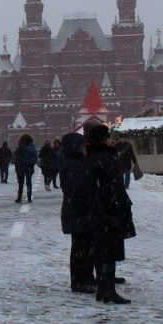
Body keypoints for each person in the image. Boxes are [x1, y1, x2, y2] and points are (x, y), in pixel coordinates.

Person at [83, 121, 135, 304]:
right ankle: (108, 291)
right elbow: (115, 185)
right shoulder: (107, 158)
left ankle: (103, 289)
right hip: (109, 209)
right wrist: (122, 204)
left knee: (100, 250)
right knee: (109, 251)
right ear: (102, 139)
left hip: (96, 210)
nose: (111, 140)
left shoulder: (90, 157)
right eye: (108, 137)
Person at [59, 132, 96, 294]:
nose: (84, 147)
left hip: (77, 210)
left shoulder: (74, 161)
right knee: (80, 248)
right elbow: (76, 189)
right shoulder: (73, 164)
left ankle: (86, 277)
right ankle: (78, 281)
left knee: (84, 246)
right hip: (77, 211)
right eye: (81, 144)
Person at [13, 133, 37, 203]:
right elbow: (35, 157)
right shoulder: (32, 146)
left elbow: (16, 157)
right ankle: (29, 197)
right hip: (30, 166)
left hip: (21, 167)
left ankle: (19, 197)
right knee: (29, 182)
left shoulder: (20, 146)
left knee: (21, 183)